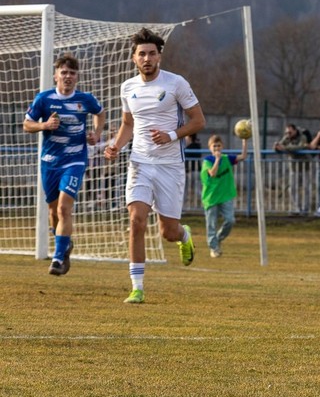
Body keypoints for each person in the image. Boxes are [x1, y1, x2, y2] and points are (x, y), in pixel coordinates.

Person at [104, 27, 205, 304]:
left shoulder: (176, 84)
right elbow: (128, 124)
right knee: (136, 221)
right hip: (140, 163)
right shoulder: (128, 87)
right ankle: (137, 287)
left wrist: (171, 136)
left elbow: (198, 121)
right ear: (134, 58)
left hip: (170, 165)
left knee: (167, 232)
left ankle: (184, 235)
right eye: (141, 54)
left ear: (159, 56)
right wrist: (115, 145)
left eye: (151, 53)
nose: (146, 58)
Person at [23, 53, 106, 276]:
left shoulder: (85, 99)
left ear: (77, 77)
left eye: (72, 73)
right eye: (64, 72)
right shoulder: (44, 99)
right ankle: (64, 242)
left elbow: (100, 113)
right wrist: (45, 125)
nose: (68, 76)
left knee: (63, 208)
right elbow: (27, 124)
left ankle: (58, 259)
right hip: (50, 161)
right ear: (56, 76)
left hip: (75, 159)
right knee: (53, 212)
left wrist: (96, 134)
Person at [200, 134, 249, 257]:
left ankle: (218, 238)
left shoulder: (227, 158)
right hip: (211, 197)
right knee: (211, 223)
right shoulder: (207, 161)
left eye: (218, 145)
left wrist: (244, 140)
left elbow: (243, 156)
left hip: (225, 195)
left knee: (230, 220)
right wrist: (217, 159)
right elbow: (212, 173)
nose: (216, 148)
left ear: (222, 146)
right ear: (210, 147)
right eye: (214, 146)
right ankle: (214, 248)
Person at [274, 123, 309, 215]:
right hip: (293, 168)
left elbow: (300, 146)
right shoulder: (287, 137)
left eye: (290, 132)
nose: (288, 134)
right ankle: (297, 208)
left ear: (295, 130)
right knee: (292, 188)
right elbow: (280, 145)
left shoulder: (302, 136)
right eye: (287, 132)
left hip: (305, 167)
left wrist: (285, 148)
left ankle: (305, 209)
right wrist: (277, 147)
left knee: (306, 188)